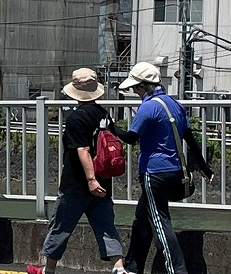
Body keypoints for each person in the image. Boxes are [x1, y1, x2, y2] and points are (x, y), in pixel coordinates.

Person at [110, 62, 214, 274]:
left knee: (160, 222)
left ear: (143, 86)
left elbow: (131, 138)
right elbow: (189, 138)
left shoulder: (148, 107)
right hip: (175, 171)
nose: (134, 92)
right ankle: (132, 266)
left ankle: (177, 270)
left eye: (134, 88)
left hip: (154, 173)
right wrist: (205, 168)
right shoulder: (173, 103)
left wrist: (112, 127)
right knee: (142, 217)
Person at [27, 69, 127, 274]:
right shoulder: (103, 115)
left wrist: (90, 179)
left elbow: (83, 149)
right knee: (106, 225)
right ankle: (118, 267)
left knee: (61, 225)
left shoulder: (76, 118)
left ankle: (49, 269)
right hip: (103, 181)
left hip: (77, 184)